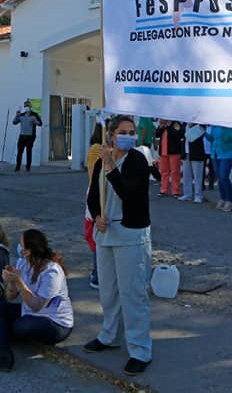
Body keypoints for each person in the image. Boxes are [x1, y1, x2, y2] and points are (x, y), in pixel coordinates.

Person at [85, 114, 152, 376]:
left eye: (132, 131)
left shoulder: (137, 160)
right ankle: (109, 335)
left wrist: (112, 165)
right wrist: (97, 216)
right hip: (106, 233)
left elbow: (129, 192)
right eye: (123, 131)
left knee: (132, 294)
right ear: (111, 134)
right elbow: (94, 194)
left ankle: (140, 349)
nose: (128, 135)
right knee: (108, 291)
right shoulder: (103, 160)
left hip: (130, 236)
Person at [0, 229, 74, 371]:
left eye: (21, 244)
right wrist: (10, 280)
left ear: (28, 251)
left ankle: (2, 335)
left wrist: (19, 281)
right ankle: (3, 352)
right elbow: (10, 296)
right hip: (29, 312)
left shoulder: (52, 272)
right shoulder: (23, 262)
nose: (18, 246)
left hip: (56, 322)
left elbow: (36, 306)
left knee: (21, 325)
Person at [84, 121, 104, 289]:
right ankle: (98, 275)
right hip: (98, 193)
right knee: (97, 236)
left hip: (100, 192)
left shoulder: (97, 148)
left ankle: (99, 272)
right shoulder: (97, 149)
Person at [207, 125, 232, 212]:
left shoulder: (231, 125)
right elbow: (212, 139)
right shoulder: (215, 125)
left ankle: (229, 200)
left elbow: (229, 138)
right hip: (215, 153)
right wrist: (204, 133)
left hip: (227, 154)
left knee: (224, 176)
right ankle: (222, 198)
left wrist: (224, 126)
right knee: (220, 177)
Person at [154, 119, 184, 197]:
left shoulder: (176, 123)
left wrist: (169, 126)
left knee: (175, 172)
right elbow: (157, 134)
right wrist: (161, 127)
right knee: (164, 172)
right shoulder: (163, 124)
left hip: (174, 152)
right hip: (163, 152)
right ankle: (163, 190)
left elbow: (178, 135)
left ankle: (176, 191)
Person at [180, 122, 207, 203]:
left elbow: (196, 136)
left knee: (197, 175)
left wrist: (192, 126)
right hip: (186, 152)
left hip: (196, 152)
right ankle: (187, 194)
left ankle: (198, 195)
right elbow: (181, 135)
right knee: (186, 174)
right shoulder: (184, 123)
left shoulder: (201, 122)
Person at [12, 100, 43, 172]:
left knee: (29, 151)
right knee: (20, 151)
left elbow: (40, 123)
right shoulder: (21, 115)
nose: (27, 108)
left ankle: (28, 167)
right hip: (22, 135)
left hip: (30, 136)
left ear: (30, 107)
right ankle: (17, 166)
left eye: (28, 106)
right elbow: (14, 122)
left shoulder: (34, 114)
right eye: (25, 106)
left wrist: (35, 121)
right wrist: (16, 115)